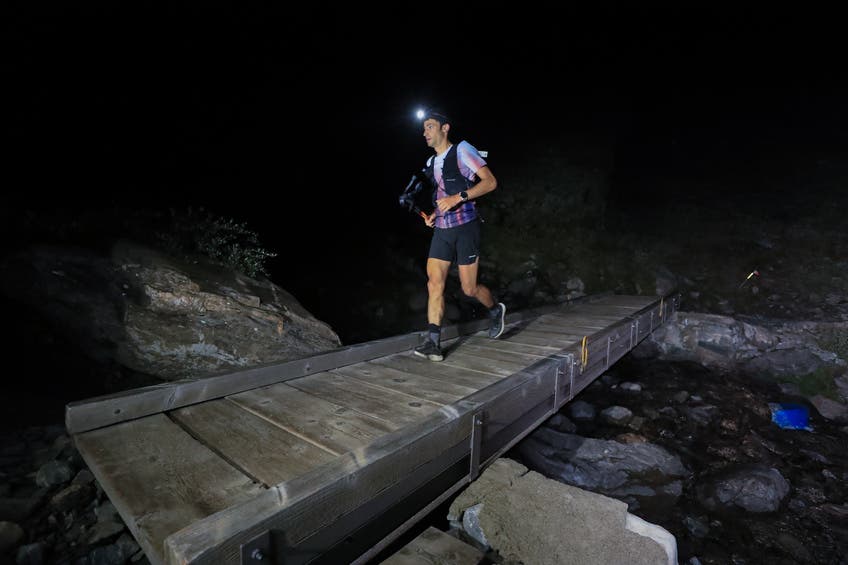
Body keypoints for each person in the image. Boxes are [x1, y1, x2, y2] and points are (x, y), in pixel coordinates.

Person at [413, 108, 506, 362]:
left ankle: (495, 309)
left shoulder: (463, 150)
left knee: (469, 288)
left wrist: (459, 197)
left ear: (445, 128)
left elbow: (490, 182)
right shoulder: (432, 163)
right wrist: (434, 214)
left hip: (466, 227)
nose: (425, 133)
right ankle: (433, 342)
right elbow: (443, 196)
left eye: (430, 127)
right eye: (423, 129)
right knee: (434, 283)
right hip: (443, 230)